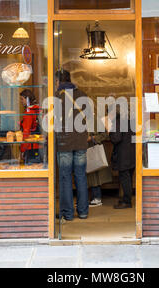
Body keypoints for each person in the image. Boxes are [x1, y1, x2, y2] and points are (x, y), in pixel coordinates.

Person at [54, 69, 89, 220]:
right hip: (81, 141)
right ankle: (83, 211)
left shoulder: (56, 97)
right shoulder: (82, 95)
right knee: (81, 176)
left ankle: (68, 213)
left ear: (58, 81)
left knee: (65, 177)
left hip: (64, 143)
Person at [107, 105, 135, 209]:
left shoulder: (117, 122)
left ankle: (127, 202)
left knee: (125, 178)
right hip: (132, 153)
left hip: (124, 155)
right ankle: (126, 198)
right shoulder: (130, 120)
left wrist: (109, 132)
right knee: (129, 178)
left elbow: (116, 138)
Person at [87, 125, 112, 207]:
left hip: (93, 150)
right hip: (84, 150)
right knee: (88, 175)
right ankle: (89, 199)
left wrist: (92, 138)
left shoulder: (95, 119)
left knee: (94, 174)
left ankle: (97, 198)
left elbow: (105, 135)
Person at [19, 89, 42, 165]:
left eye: (22, 99)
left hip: (31, 147)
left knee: (31, 168)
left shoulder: (29, 112)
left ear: (27, 99)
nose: (21, 101)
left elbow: (26, 131)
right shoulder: (38, 110)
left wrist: (22, 149)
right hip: (40, 145)